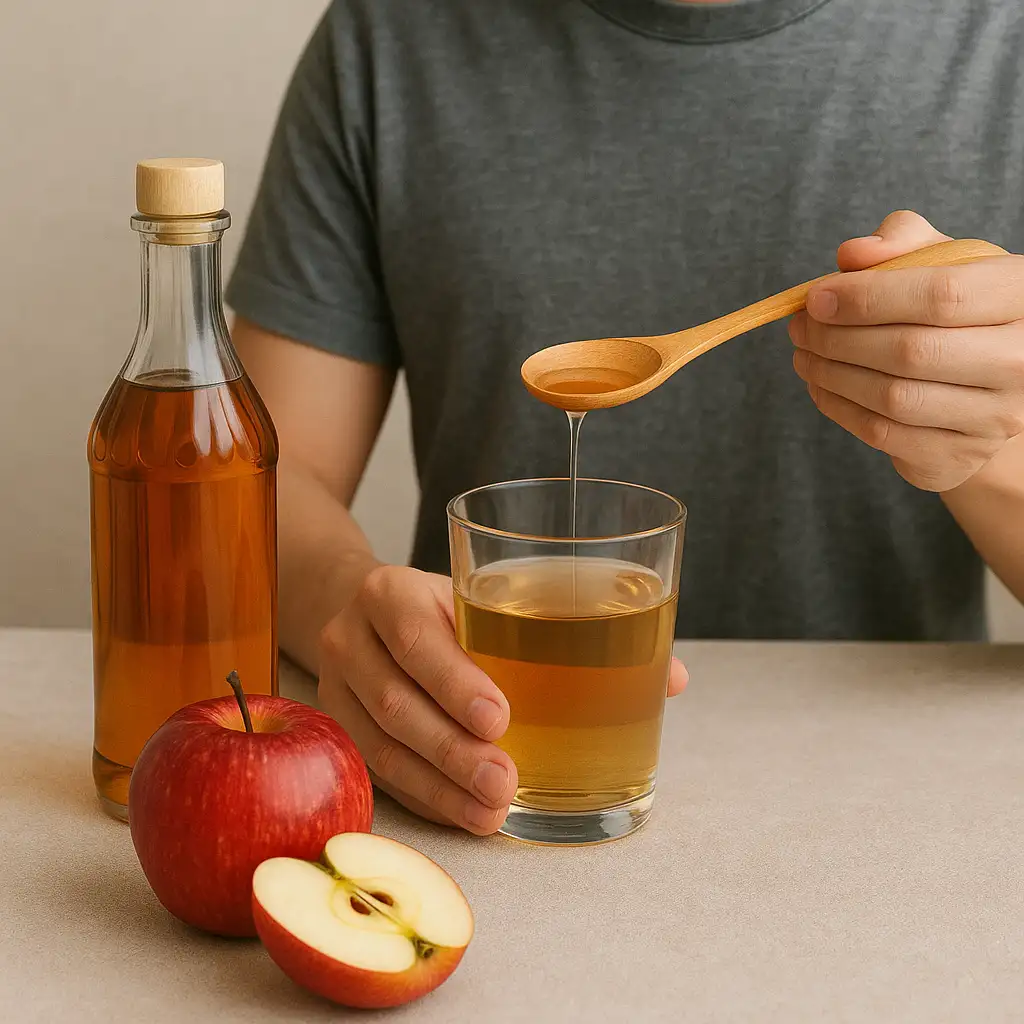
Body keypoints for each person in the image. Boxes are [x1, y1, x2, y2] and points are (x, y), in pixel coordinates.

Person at [226, 0, 1024, 835]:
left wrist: (993, 450)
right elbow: (263, 480)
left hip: (899, 811)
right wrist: (346, 608)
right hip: (474, 798)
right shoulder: (390, 36)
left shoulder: (999, 40)